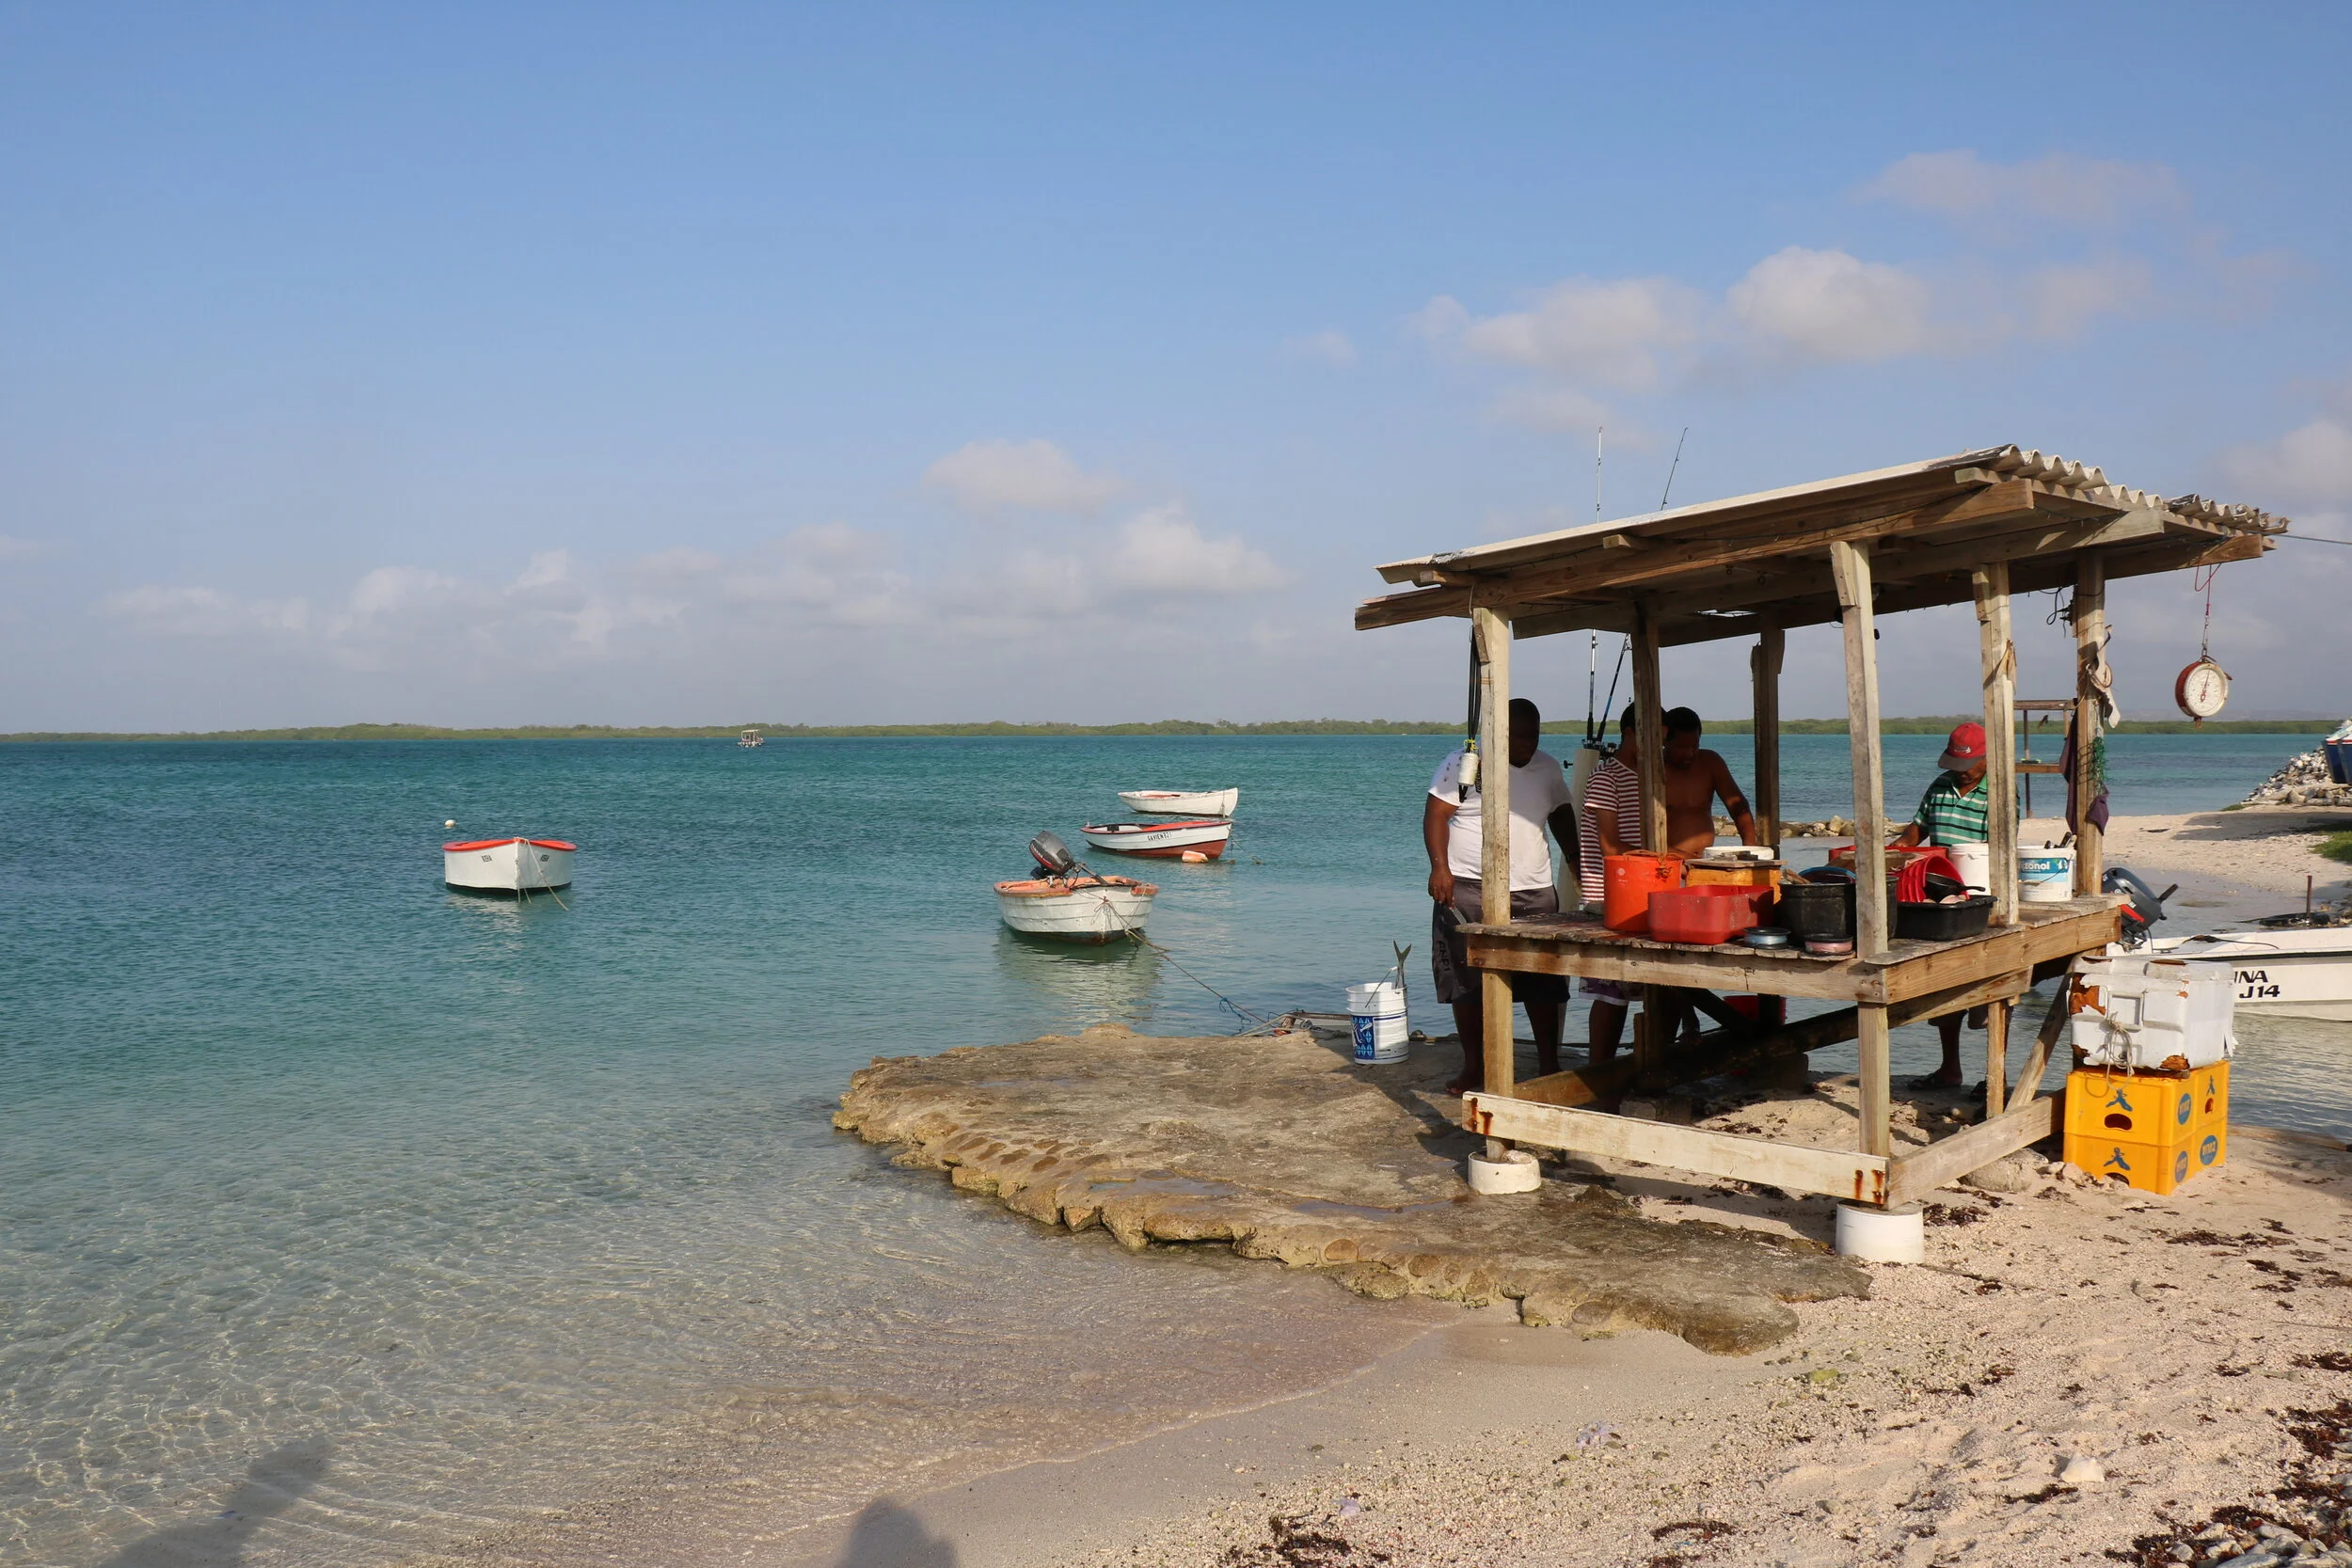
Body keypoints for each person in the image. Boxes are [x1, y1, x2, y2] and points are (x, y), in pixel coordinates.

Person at [1578, 705, 1761, 1058]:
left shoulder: (1648, 776)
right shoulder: (1607, 776)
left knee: (1667, 981)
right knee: (1611, 990)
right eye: (1662, 742)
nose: (1670, 751)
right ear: (1634, 733)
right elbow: (1610, 845)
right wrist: (1673, 858)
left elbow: (1733, 805)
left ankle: (1653, 1063)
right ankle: (1600, 1073)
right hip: (1614, 892)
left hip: (1653, 888)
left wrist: (1750, 853)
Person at [1424, 698, 1579, 1095]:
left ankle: (1548, 1063)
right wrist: (1440, 868)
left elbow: (1561, 814)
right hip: (1470, 888)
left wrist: (1578, 865)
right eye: (1520, 737)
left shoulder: (1546, 767)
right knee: (1467, 978)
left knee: (1543, 979)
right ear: (1499, 732)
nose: (1528, 744)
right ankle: (1474, 1068)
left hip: (1534, 889)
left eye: (1534, 736)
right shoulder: (1464, 763)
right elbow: (1436, 814)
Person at [1889, 721, 2003, 1091]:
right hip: (1936, 894)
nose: (1961, 771)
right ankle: (1950, 1069)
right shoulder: (1940, 787)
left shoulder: (1999, 794)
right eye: (1955, 763)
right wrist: (1894, 852)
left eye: (1967, 763)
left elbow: (2002, 846)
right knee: (1942, 988)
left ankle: (1994, 1076)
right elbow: (1916, 830)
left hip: (1978, 894)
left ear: (1987, 758)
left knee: (1994, 993)